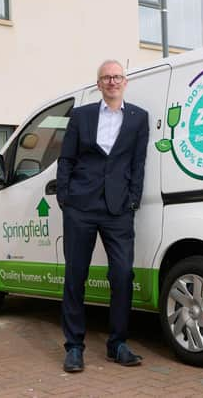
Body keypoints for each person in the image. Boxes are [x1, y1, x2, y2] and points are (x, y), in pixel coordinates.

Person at [56, 60, 149, 372]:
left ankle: (118, 344)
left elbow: (138, 164)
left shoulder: (138, 118)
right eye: (107, 77)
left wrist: (132, 200)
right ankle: (74, 347)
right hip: (80, 207)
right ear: (98, 84)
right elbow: (66, 159)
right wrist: (65, 198)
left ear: (125, 82)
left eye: (117, 77)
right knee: (75, 276)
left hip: (117, 209)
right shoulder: (81, 116)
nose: (112, 82)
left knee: (122, 275)